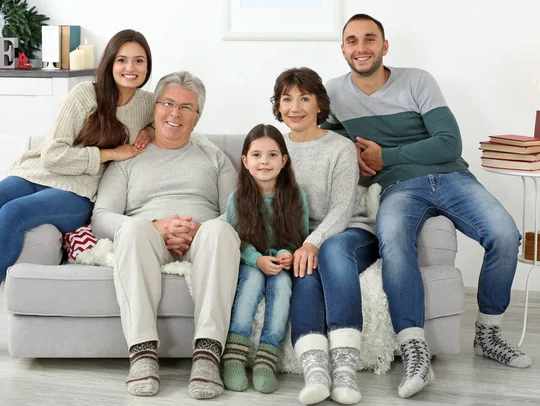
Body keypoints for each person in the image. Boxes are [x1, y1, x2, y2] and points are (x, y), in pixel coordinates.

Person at [323, 13, 532, 399]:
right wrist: (356, 155)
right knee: (394, 245)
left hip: (451, 177)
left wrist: (387, 155)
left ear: (384, 47)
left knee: (504, 235)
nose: (361, 47)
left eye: (370, 39)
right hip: (399, 188)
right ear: (343, 50)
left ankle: (487, 334)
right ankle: (415, 350)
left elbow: (449, 143)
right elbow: (328, 142)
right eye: (352, 41)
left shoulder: (417, 80)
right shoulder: (333, 93)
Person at [0, 29, 155, 358]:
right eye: (122, 60)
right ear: (109, 63)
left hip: (79, 192)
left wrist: (150, 129)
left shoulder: (147, 104)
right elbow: (52, 156)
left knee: (12, 215)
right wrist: (111, 153)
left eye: (139, 60)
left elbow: (176, 116)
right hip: (39, 172)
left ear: (147, 65)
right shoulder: (85, 95)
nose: (131, 67)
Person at [91, 71, 240, 400]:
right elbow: (100, 217)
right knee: (132, 228)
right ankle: (142, 353)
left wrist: (200, 229)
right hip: (146, 236)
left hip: (200, 236)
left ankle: (207, 354)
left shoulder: (215, 159)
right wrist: (157, 226)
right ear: (154, 107)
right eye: (168, 103)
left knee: (221, 231)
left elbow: (236, 215)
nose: (175, 113)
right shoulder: (127, 158)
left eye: (187, 107)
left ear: (198, 117)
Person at [271, 67, 378, 405]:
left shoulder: (340, 147)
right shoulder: (273, 146)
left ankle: (345, 371)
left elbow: (343, 209)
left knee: (329, 252)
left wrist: (311, 243)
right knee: (304, 273)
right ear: (278, 106)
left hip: (349, 232)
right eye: (287, 99)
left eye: (304, 98)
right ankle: (316, 372)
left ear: (319, 104)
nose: (295, 107)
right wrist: (295, 246)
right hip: (301, 239)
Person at [221, 124, 309, 394]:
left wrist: (288, 253)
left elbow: (299, 237)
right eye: (257, 155)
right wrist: (256, 259)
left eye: (272, 155)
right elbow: (232, 238)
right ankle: (234, 355)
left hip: (279, 262)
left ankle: (266, 358)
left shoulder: (296, 196)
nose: (264, 162)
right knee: (250, 284)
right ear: (245, 161)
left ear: (284, 160)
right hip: (249, 261)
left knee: (283, 287)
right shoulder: (238, 198)